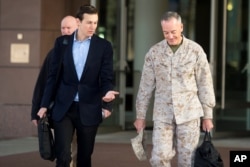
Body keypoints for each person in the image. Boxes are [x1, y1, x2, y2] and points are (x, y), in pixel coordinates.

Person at [37, 5, 119, 167]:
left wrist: (107, 99)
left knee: (84, 157)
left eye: (95, 23)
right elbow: (52, 77)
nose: (92, 27)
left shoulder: (104, 46)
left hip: (89, 107)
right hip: (64, 108)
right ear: (78, 22)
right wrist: (44, 105)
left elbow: (106, 77)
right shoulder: (62, 43)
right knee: (63, 156)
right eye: (89, 22)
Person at [133, 11, 215, 167]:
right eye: (166, 32)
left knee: (187, 161)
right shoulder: (154, 53)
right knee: (158, 158)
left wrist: (208, 115)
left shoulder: (195, 51)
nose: (170, 36)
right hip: (163, 115)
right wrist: (140, 115)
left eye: (173, 32)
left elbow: (205, 83)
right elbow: (145, 87)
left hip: (189, 114)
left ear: (181, 27)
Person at [31, 15, 78, 167]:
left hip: (82, 110)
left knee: (80, 153)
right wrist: (36, 110)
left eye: (68, 28)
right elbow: (43, 82)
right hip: (61, 110)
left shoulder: (89, 52)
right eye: (63, 28)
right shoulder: (53, 54)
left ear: (77, 28)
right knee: (64, 154)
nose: (65, 31)